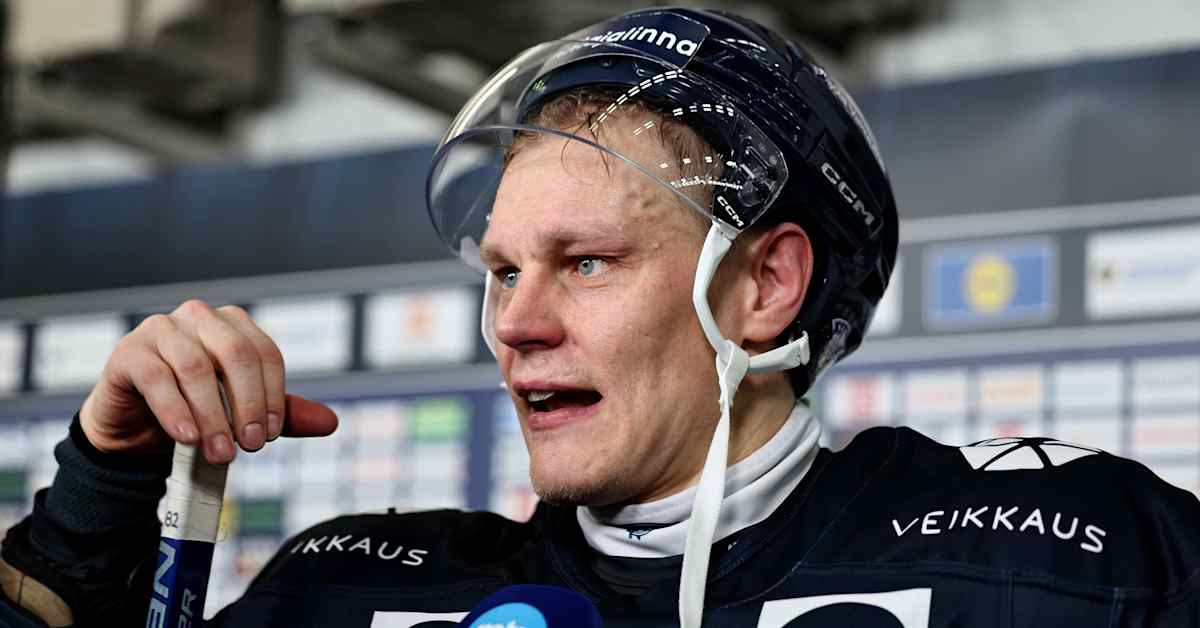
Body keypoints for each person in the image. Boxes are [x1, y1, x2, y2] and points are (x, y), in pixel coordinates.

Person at [2, 7, 1198, 627]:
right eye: (502, 269)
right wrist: (97, 498)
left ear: (764, 287)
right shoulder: (349, 589)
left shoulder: (1066, 555)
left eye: (584, 262)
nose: (515, 322)